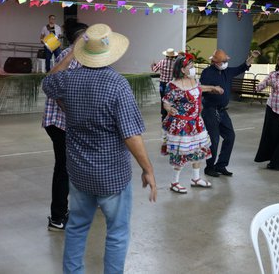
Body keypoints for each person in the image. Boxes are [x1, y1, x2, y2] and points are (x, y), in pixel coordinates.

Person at [42, 23, 157, 273]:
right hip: (112, 175)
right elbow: (131, 134)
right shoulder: (117, 84)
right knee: (117, 231)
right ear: (111, 52)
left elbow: (47, 82)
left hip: (79, 172)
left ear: (83, 52)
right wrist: (147, 169)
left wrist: (70, 55)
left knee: (76, 227)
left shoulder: (68, 80)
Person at [41, 19, 88, 232]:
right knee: (64, 168)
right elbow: (57, 89)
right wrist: (75, 113)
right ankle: (57, 217)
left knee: (71, 166)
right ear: (81, 38)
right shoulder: (70, 56)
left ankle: (79, 206)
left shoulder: (80, 56)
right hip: (60, 122)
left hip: (67, 122)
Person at [162, 53, 224, 194]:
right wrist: (169, 109)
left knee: (199, 150)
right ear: (182, 69)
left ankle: (196, 178)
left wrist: (213, 88)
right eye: (190, 66)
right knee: (180, 153)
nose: (193, 68)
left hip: (196, 122)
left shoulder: (193, 81)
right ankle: (174, 182)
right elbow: (166, 101)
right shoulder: (173, 86)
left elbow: (199, 88)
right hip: (181, 124)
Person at [200, 48, 261, 177]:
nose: (225, 63)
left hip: (222, 111)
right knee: (214, 140)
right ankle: (209, 167)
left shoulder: (227, 71)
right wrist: (213, 89)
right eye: (222, 61)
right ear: (215, 62)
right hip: (210, 110)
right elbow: (201, 89)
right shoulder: (207, 73)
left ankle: (221, 165)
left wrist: (251, 58)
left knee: (230, 136)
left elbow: (242, 67)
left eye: (226, 61)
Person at [152, 47, 178, 120]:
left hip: (162, 84)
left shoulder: (161, 62)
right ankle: (171, 114)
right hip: (171, 84)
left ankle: (163, 115)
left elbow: (154, 70)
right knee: (171, 99)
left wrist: (153, 65)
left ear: (166, 55)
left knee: (163, 99)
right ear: (173, 55)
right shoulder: (175, 63)